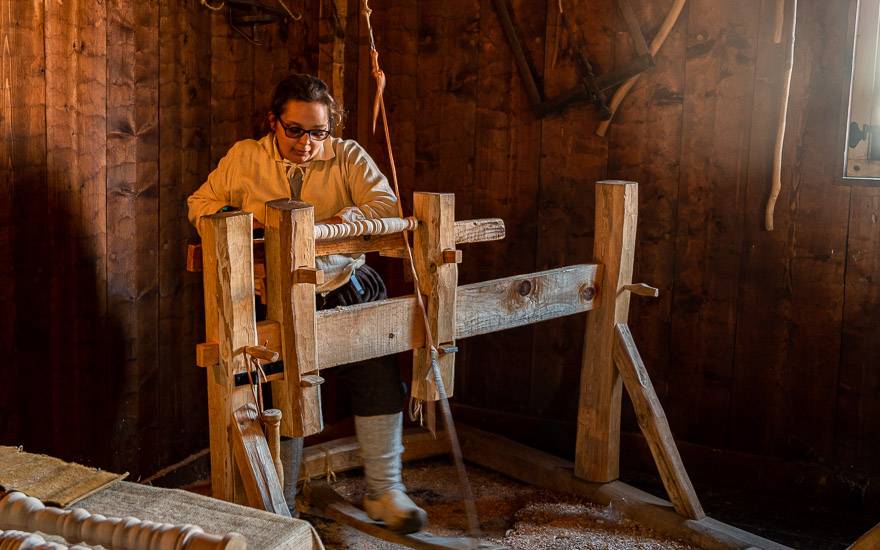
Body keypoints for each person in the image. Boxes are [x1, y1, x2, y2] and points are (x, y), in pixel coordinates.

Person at [187, 74, 427, 534]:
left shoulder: (349, 156)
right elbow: (201, 203)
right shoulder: (245, 157)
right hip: (269, 294)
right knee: (284, 393)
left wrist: (337, 222)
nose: (306, 143)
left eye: (318, 132)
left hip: (341, 280)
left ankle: (385, 490)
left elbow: (386, 206)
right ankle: (285, 503)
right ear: (273, 122)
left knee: (376, 375)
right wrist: (244, 223)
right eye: (295, 130)